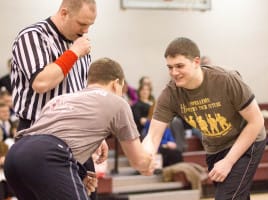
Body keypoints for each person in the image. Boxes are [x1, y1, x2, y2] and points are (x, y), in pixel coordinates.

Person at [4, 58, 155, 200]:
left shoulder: (59, 99)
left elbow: (52, 138)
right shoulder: (117, 102)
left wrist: (73, 178)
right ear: (116, 84)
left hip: (16, 154)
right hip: (48, 154)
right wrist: (149, 162)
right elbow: (139, 161)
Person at [142, 37, 266, 200]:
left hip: (248, 140)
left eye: (180, 66)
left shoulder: (225, 79)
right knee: (237, 194)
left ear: (196, 62)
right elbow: (153, 136)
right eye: (170, 67)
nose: (174, 73)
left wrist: (228, 161)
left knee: (227, 197)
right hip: (215, 146)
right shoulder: (170, 94)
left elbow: (256, 121)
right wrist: (144, 156)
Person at [11, 0, 97, 198]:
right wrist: (73, 53)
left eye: (90, 25)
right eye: (81, 24)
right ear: (64, 13)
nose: (85, 30)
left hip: (76, 138)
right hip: (39, 134)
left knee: (89, 195)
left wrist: (95, 133)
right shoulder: (33, 36)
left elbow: (82, 93)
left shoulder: (79, 44)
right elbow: (41, 82)